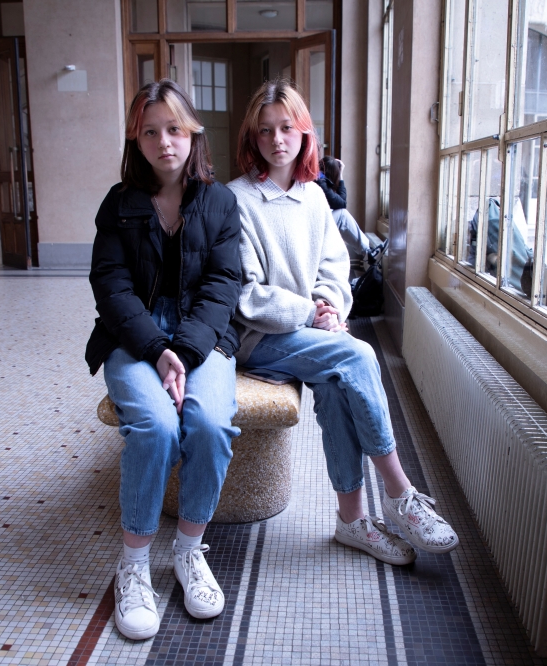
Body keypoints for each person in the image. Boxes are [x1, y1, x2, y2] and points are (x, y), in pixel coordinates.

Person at [227, 79, 459, 567]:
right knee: (359, 354)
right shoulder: (237, 201)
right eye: (265, 130)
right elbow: (245, 295)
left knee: (336, 385)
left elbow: (335, 268)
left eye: (287, 127)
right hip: (257, 339)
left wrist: (329, 306)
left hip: (307, 332)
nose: (277, 139)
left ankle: (352, 522)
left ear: (305, 133)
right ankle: (400, 492)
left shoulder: (314, 198)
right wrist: (311, 312)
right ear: (252, 138)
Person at [85, 79, 242, 640]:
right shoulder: (119, 202)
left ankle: (189, 551)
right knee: (153, 425)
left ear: (193, 131)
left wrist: (186, 349)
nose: (164, 142)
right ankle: (132, 564)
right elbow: (110, 285)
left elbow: (224, 284)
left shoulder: (220, 202)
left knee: (209, 421)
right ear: (137, 138)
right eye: (150, 131)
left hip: (203, 335)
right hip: (134, 335)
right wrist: (157, 349)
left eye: (174, 128)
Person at [315, 155, 371, 262]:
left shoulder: (318, 178)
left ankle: (368, 252)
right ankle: (368, 252)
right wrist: (341, 175)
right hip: (314, 228)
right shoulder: (320, 182)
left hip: (314, 224)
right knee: (341, 215)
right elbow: (342, 203)